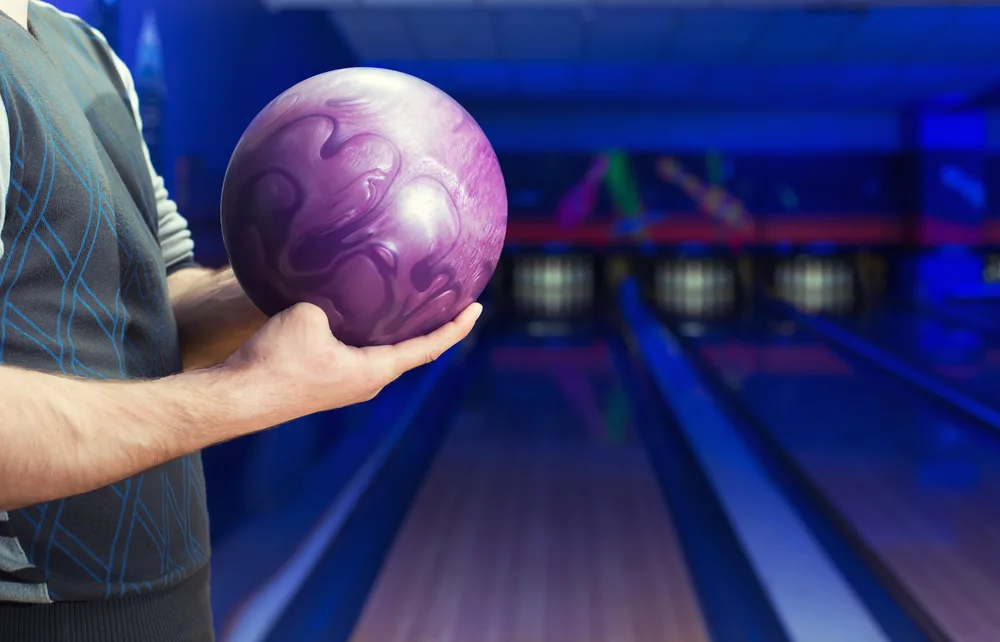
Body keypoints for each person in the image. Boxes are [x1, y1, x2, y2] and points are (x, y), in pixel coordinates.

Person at [0, 1, 482, 640]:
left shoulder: (91, 54)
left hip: (167, 592)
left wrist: (317, 273)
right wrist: (246, 396)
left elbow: (159, 297)